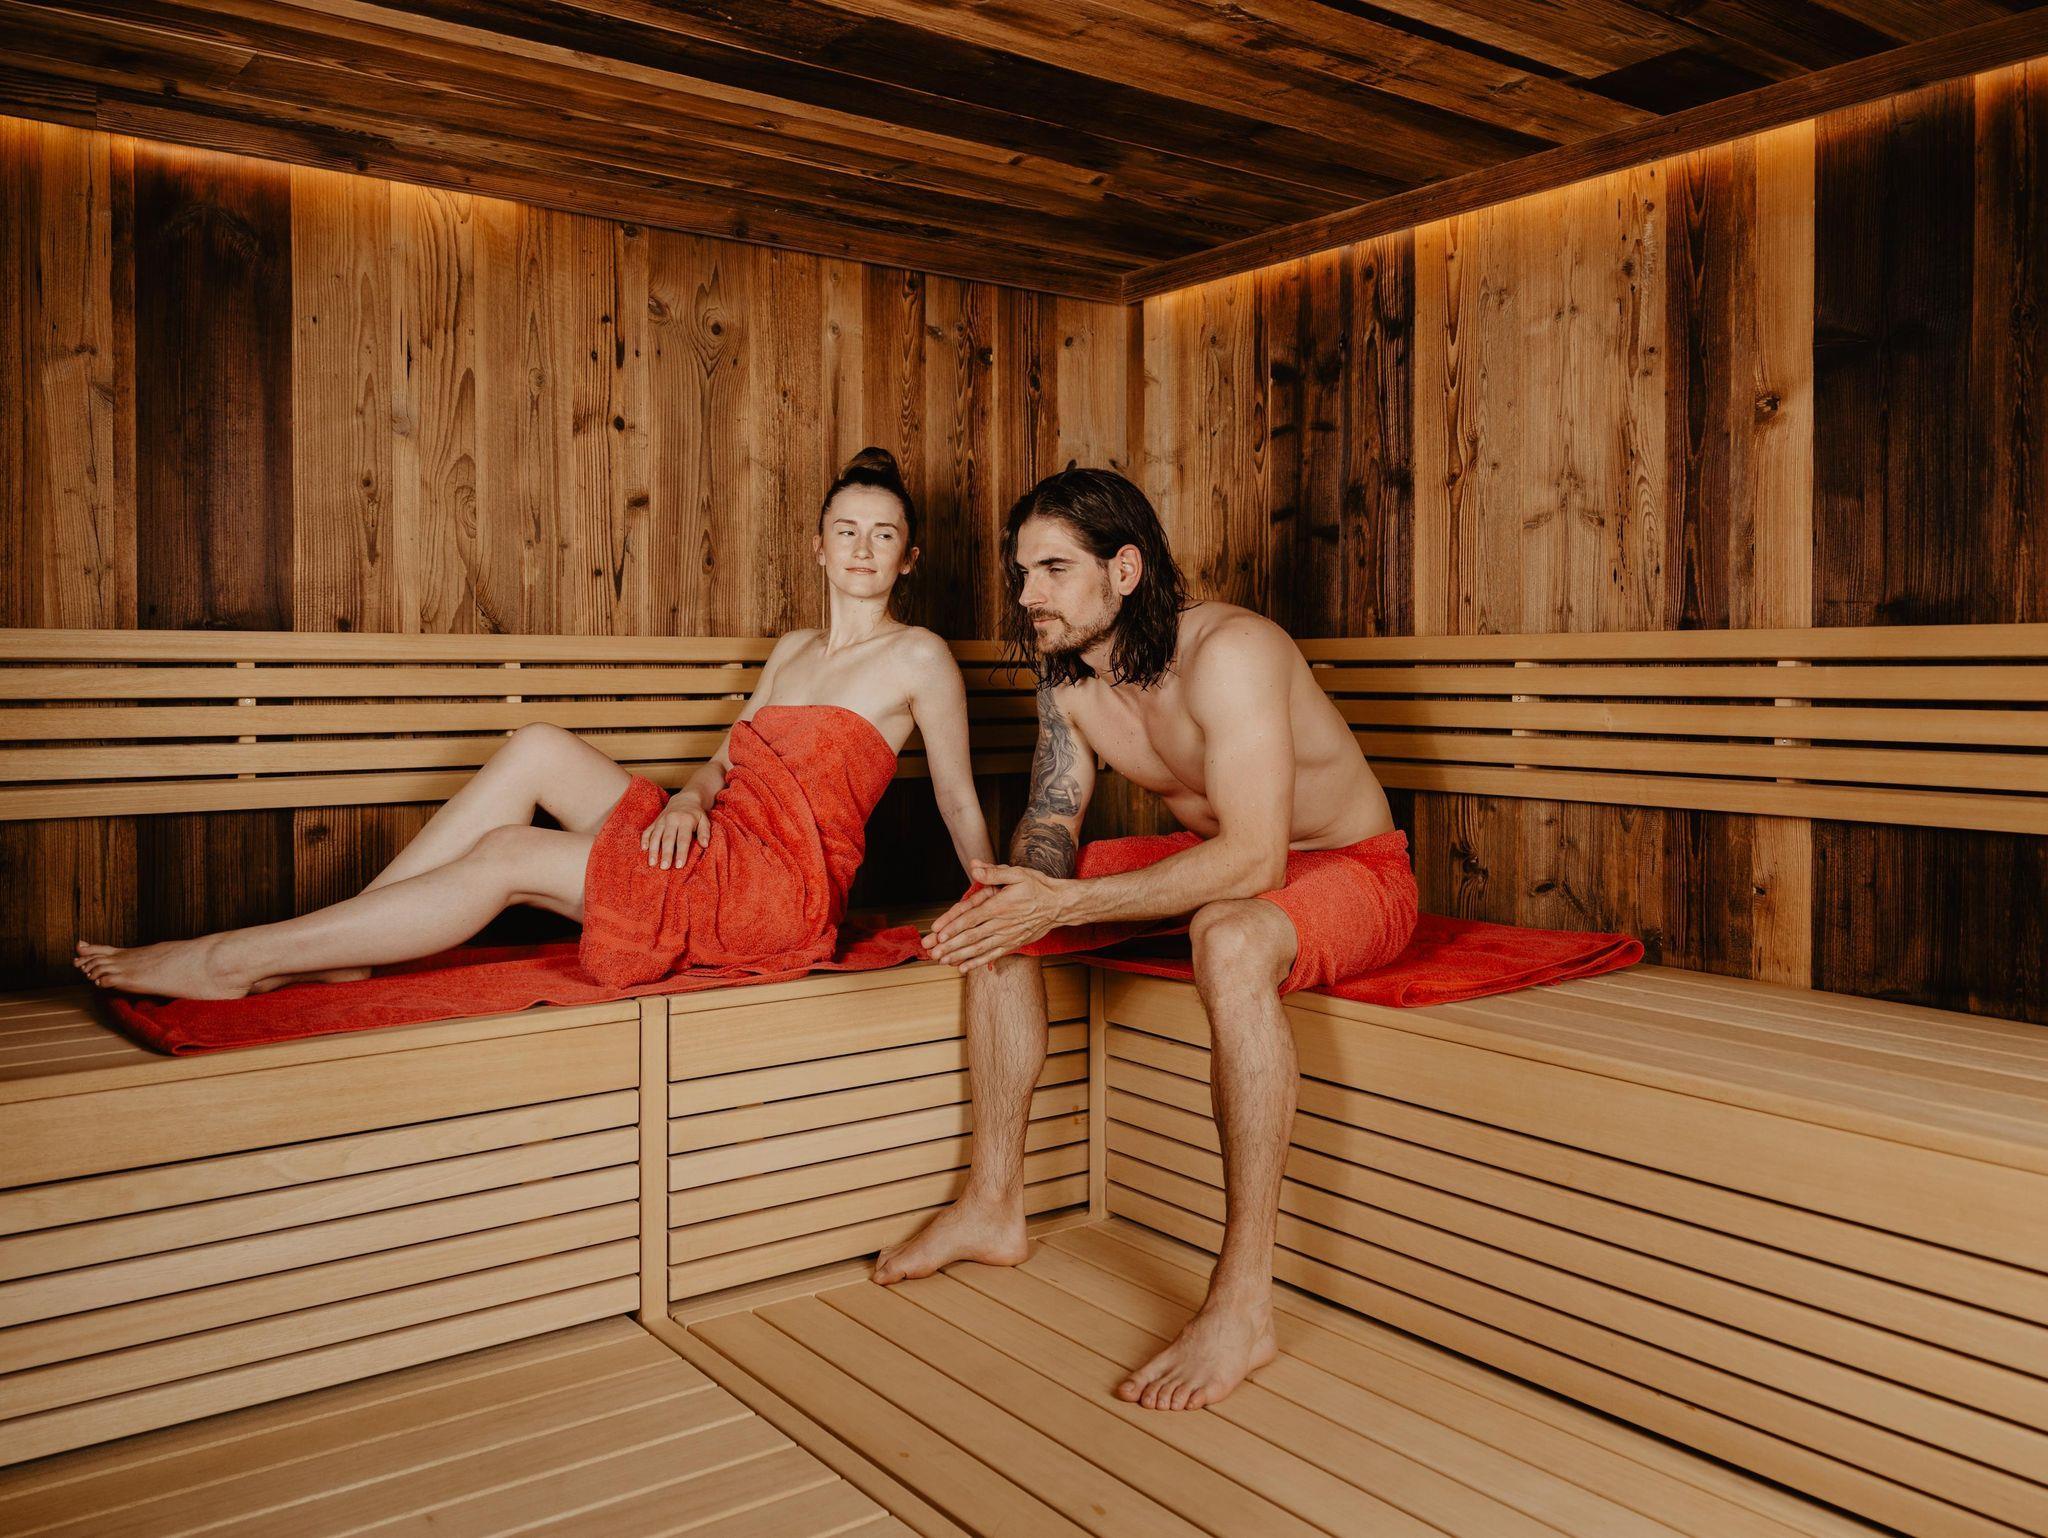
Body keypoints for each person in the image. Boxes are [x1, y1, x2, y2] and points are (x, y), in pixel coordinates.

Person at [873, 467, 1419, 1414]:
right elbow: (1052, 820)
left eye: (1053, 570)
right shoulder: (1068, 678)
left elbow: (1255, 858)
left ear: (1123, 571)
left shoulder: (1233, 652)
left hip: (1351, 869)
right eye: (1021, 572)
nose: (1028, 594)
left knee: (1229, 937)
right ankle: (993, 1204)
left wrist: (1066, 905)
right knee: (1002, 898)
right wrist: (1027, 894)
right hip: (1219, 859)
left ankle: (1243, 1301)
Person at [75, 447, 994, 1001]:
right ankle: (348, 945)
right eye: (847, 529)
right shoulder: (793, 649)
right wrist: (683, 801)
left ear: (907, 558)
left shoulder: (918, 657)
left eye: (883, 535)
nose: (863, 548)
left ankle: (232, 960)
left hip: (771, 893)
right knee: (538, 747)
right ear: (818, 544)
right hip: (712, 840)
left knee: (509, 854)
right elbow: (724, 764)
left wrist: (990, 895)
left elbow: (955, 798)